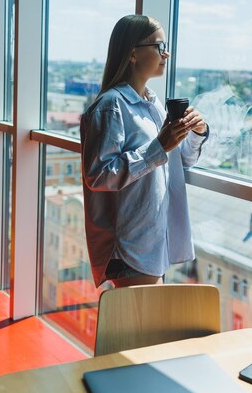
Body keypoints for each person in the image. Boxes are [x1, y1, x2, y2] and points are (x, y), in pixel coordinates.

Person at [80, 14, 209, 288]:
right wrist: (159, 146)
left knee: (140, 328)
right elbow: (99, 176)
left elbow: (177, 161)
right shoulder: (111, 106)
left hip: (151, 240)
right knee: (138, 328)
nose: (167, 54)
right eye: (160, 46)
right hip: (130, 246)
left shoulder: (153, 103)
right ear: (133, 54)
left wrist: (197, 133)